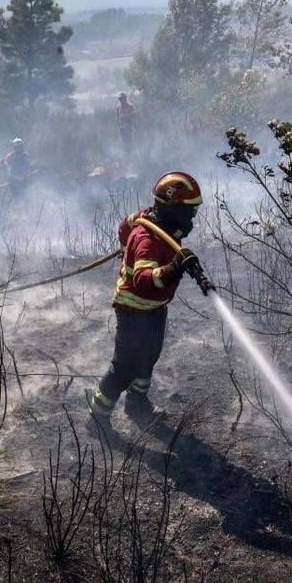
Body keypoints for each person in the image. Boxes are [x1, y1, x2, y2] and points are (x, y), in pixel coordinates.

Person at [89, 171, 211, 427]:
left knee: (148, 357)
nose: (192, 218)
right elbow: (143, 281)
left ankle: (137, 405)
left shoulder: (157, 223)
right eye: (188, 211)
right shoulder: (147, 239)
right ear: (171, 207)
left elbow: (125, 226)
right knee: (123, 368)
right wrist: (173, 268)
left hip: (155, 309)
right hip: (133, 310)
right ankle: (97, 418)